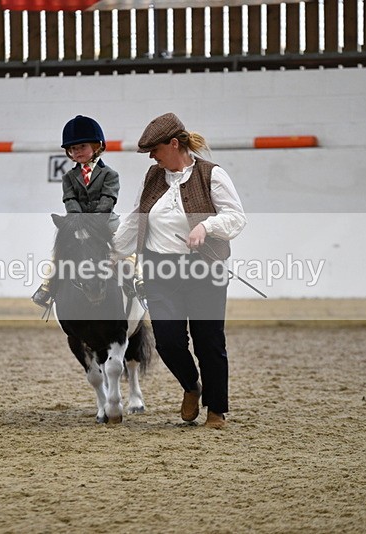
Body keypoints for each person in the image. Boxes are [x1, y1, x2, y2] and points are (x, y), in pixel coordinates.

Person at [113, 112, 247, 429]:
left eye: (155, 150)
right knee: (168, 341)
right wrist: (114, 252)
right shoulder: (152, 178)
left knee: (209, 341)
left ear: (174, 144)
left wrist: (206, 225)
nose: (152, 157)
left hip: (204, 269)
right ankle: (191, 386)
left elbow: (236, 217)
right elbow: (136, 219)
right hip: (160, 270)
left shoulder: (211, 175)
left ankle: (216, 410)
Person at [32, 115, 121, 309]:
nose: (76, 151)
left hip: (104, 223)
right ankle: (47, 286)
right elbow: (69, 199)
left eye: (82, 147)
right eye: (72, 149)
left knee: (126, 250)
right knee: (59, 253)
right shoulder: (68, 177)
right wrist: (78, 220)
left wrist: (94, 222)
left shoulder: (110, 175)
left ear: (97, 146)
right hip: (77, 223)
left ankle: (138, 283)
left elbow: (108, 199)